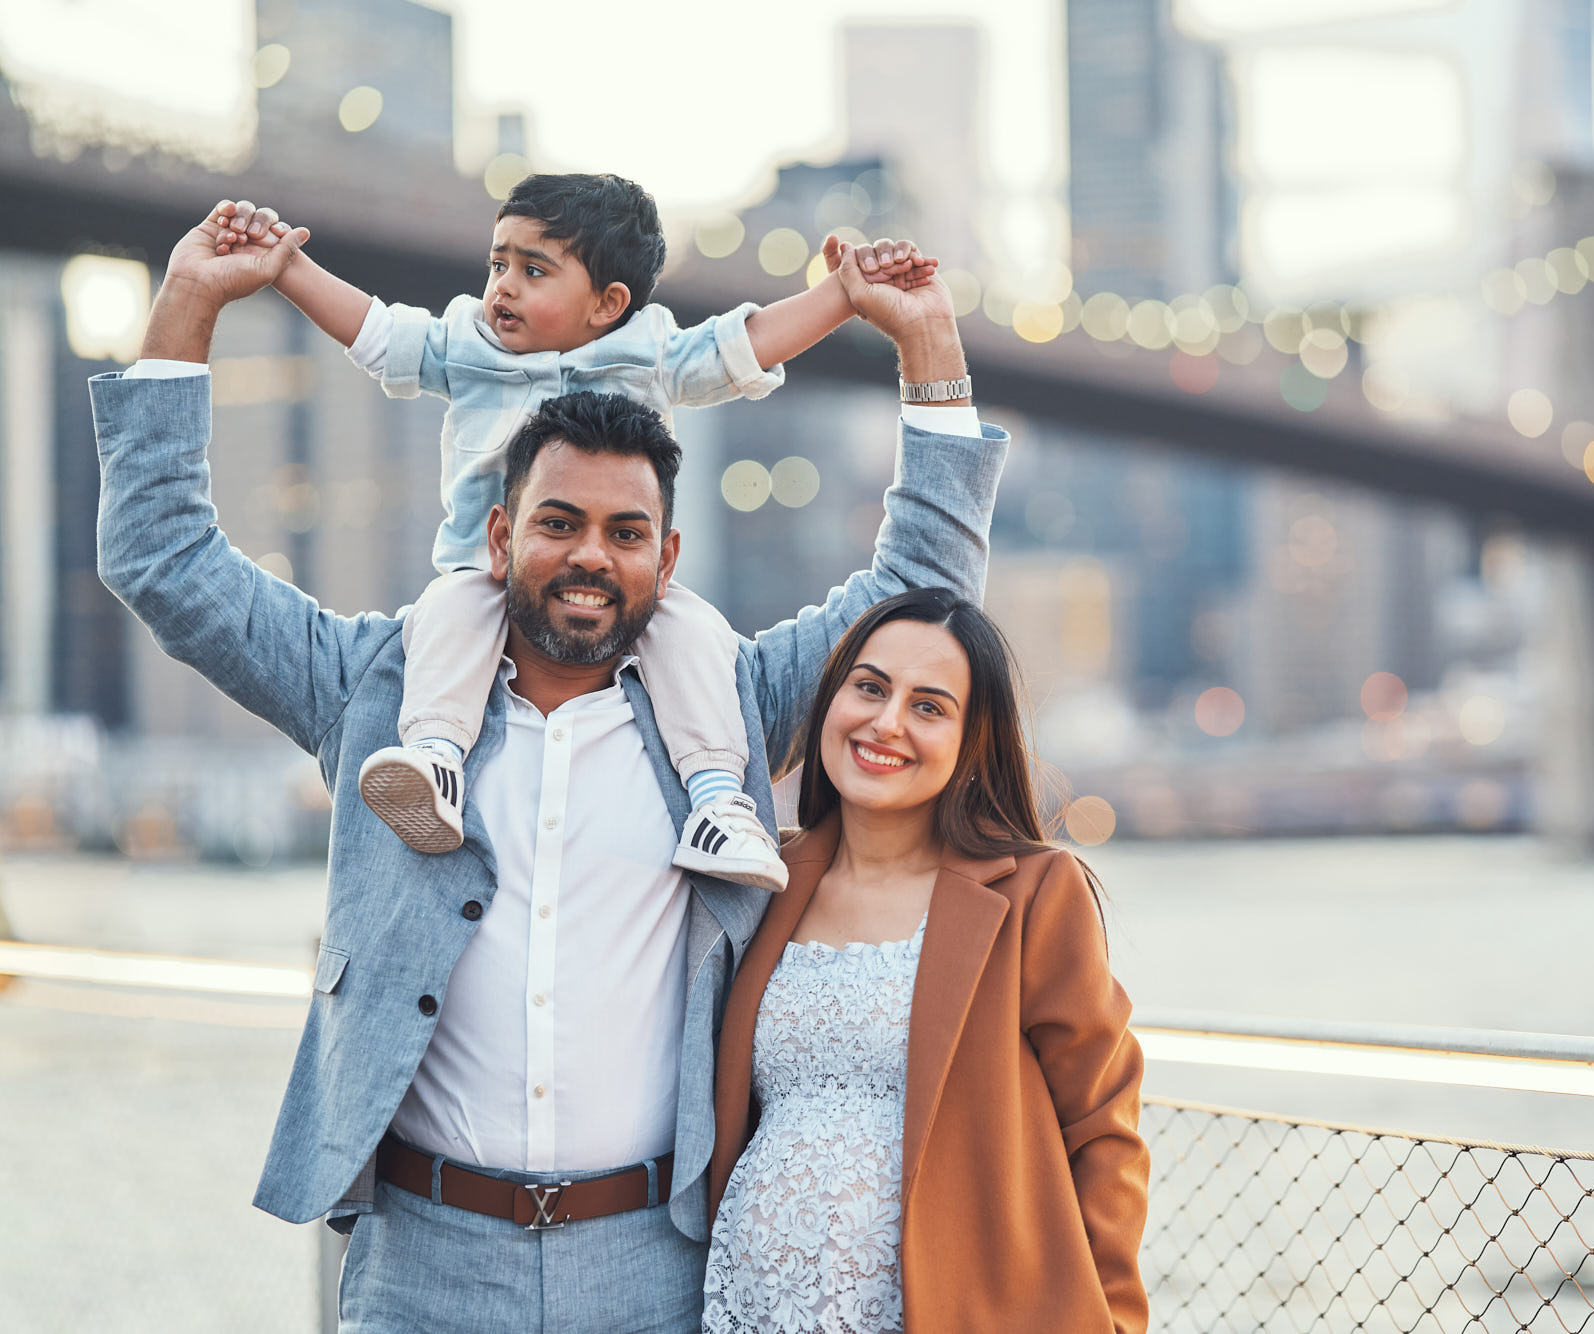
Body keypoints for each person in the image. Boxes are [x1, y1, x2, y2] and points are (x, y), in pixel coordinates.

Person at [92, 204, 1004, 1333]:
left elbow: (923, 581)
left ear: (666, 559)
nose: (589, 555)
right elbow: (163, 557)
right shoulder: (375, 688)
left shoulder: (729, 701)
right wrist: (187, 301)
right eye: (557, 522)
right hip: (420, 1265)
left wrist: (925, 341)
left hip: (652, 1267)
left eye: (625, 532)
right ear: (494, 537)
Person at [213, 174, 931, 890]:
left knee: (698, 638)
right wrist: (289, 267)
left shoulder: (647, 351)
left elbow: (744, 347)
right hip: (481, 572)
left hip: (620, 594)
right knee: (442, 620)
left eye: (533, 270)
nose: (504, 287)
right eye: (498, 263)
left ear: (608, 304)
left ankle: (719, 802)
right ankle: (435, 761)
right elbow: (375, 332)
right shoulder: (465, 346)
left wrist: (842, 294)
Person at [704, 589, 1150, 1334]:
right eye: (870, 688)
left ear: (973, 741)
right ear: (832, 701)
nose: (887, 722)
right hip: (750, 1310)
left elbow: (1105, 1129)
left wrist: (1112, 1322)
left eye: (929, 706)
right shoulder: (766, 881)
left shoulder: (1035, 894)